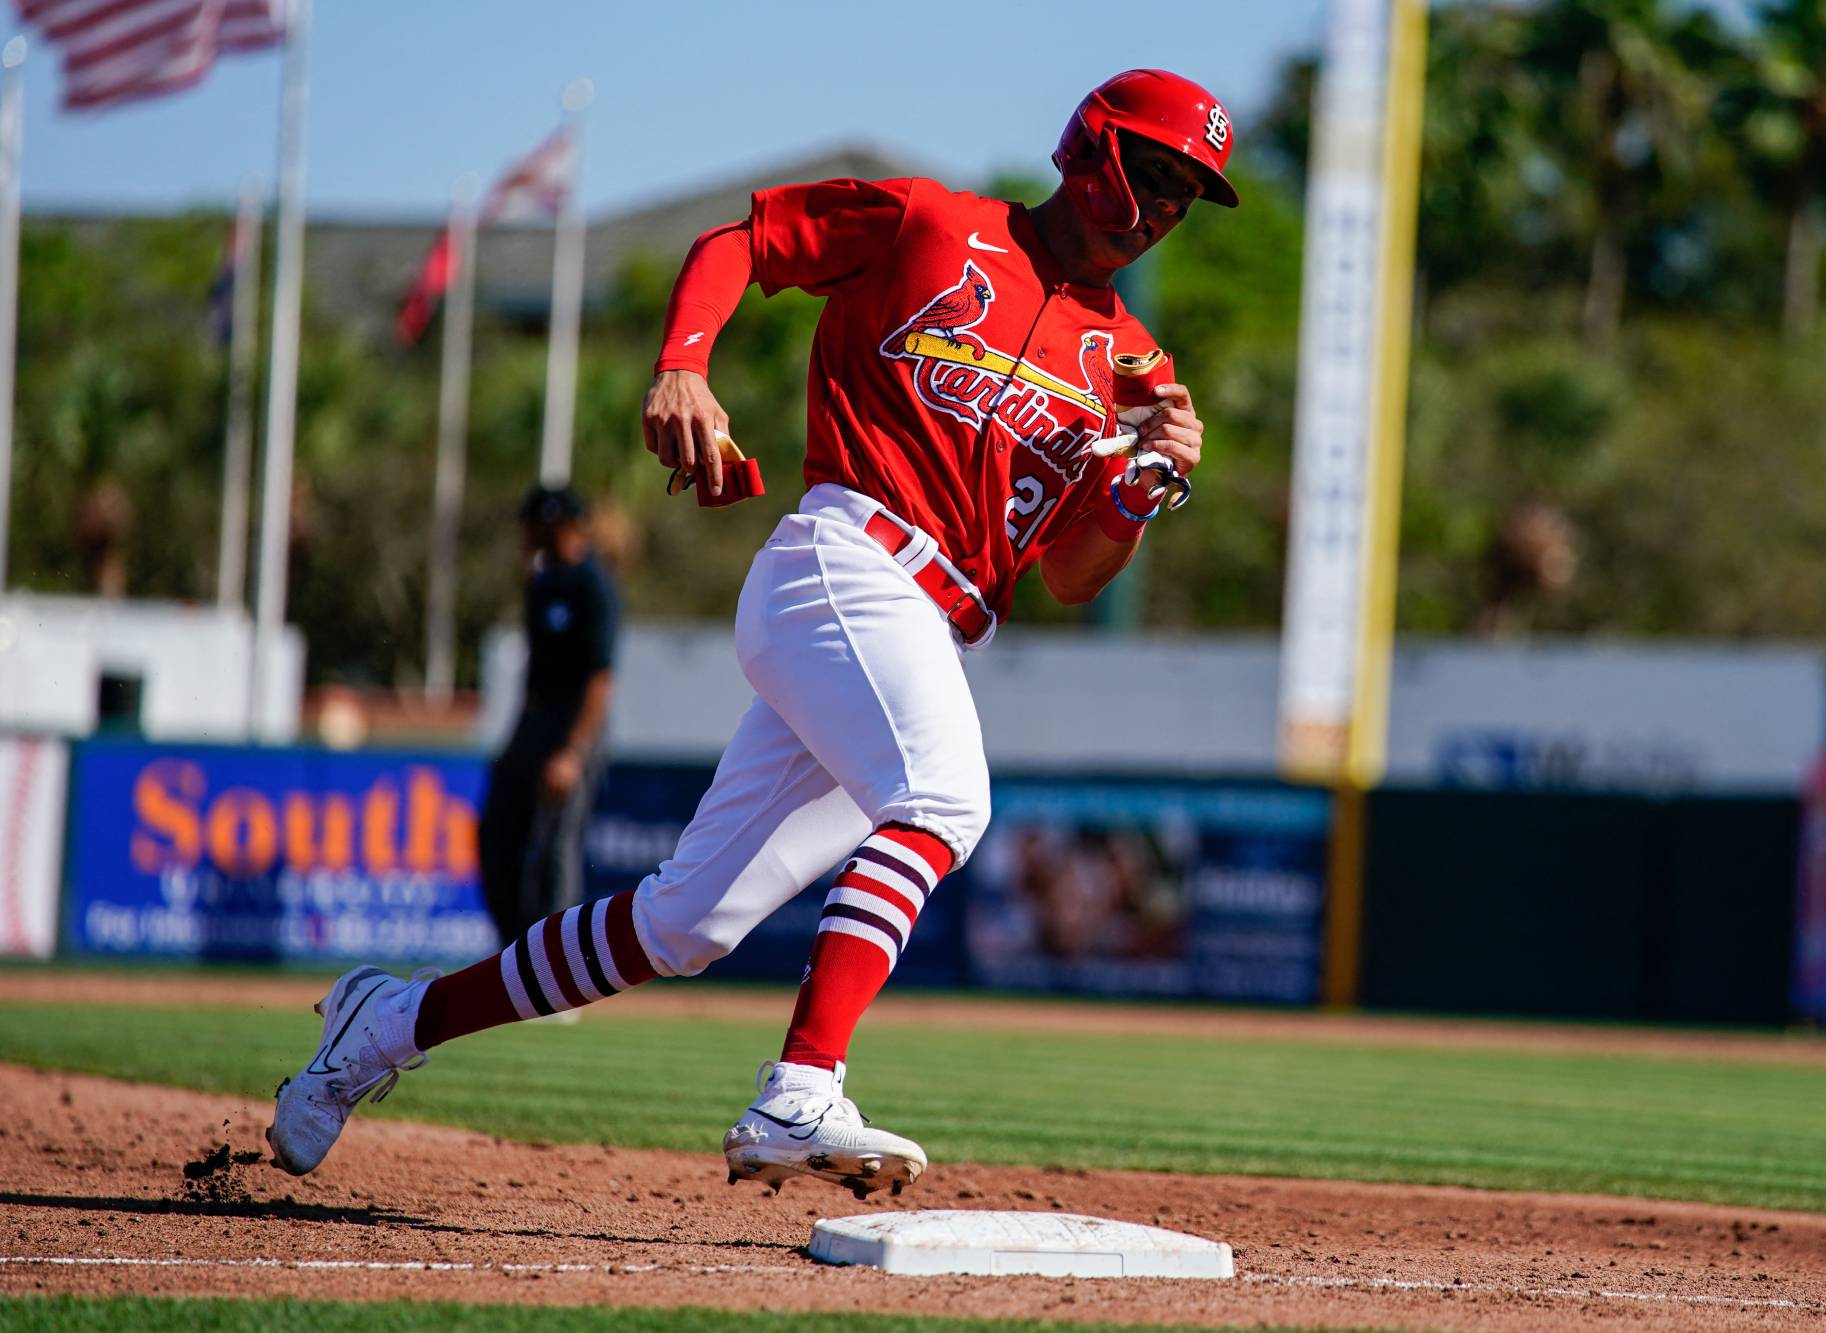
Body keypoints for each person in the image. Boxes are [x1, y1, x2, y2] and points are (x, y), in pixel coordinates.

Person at [267, 68, 1233, 1200]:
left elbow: (1070, 574)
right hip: (847, 559)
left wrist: (1141, 482)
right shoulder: (935, 224)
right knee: (944, 800)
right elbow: (743, 242)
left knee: (685, 919)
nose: (1165, 204)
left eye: (1187, 193)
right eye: (1158, 172)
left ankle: (386, 1023)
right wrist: (683, 362)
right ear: (1094, 147)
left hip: (931, 621)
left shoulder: (1130, 365)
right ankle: (799, 1090)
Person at [477, 484, 619, 948]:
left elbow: (599, 679)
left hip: (574, 727)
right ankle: (511, 955)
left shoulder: (593, 585)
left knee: (557, 846)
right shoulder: (542, 583)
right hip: (533, 722)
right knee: (499, 835)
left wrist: (573, 752)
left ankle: (557, 968)